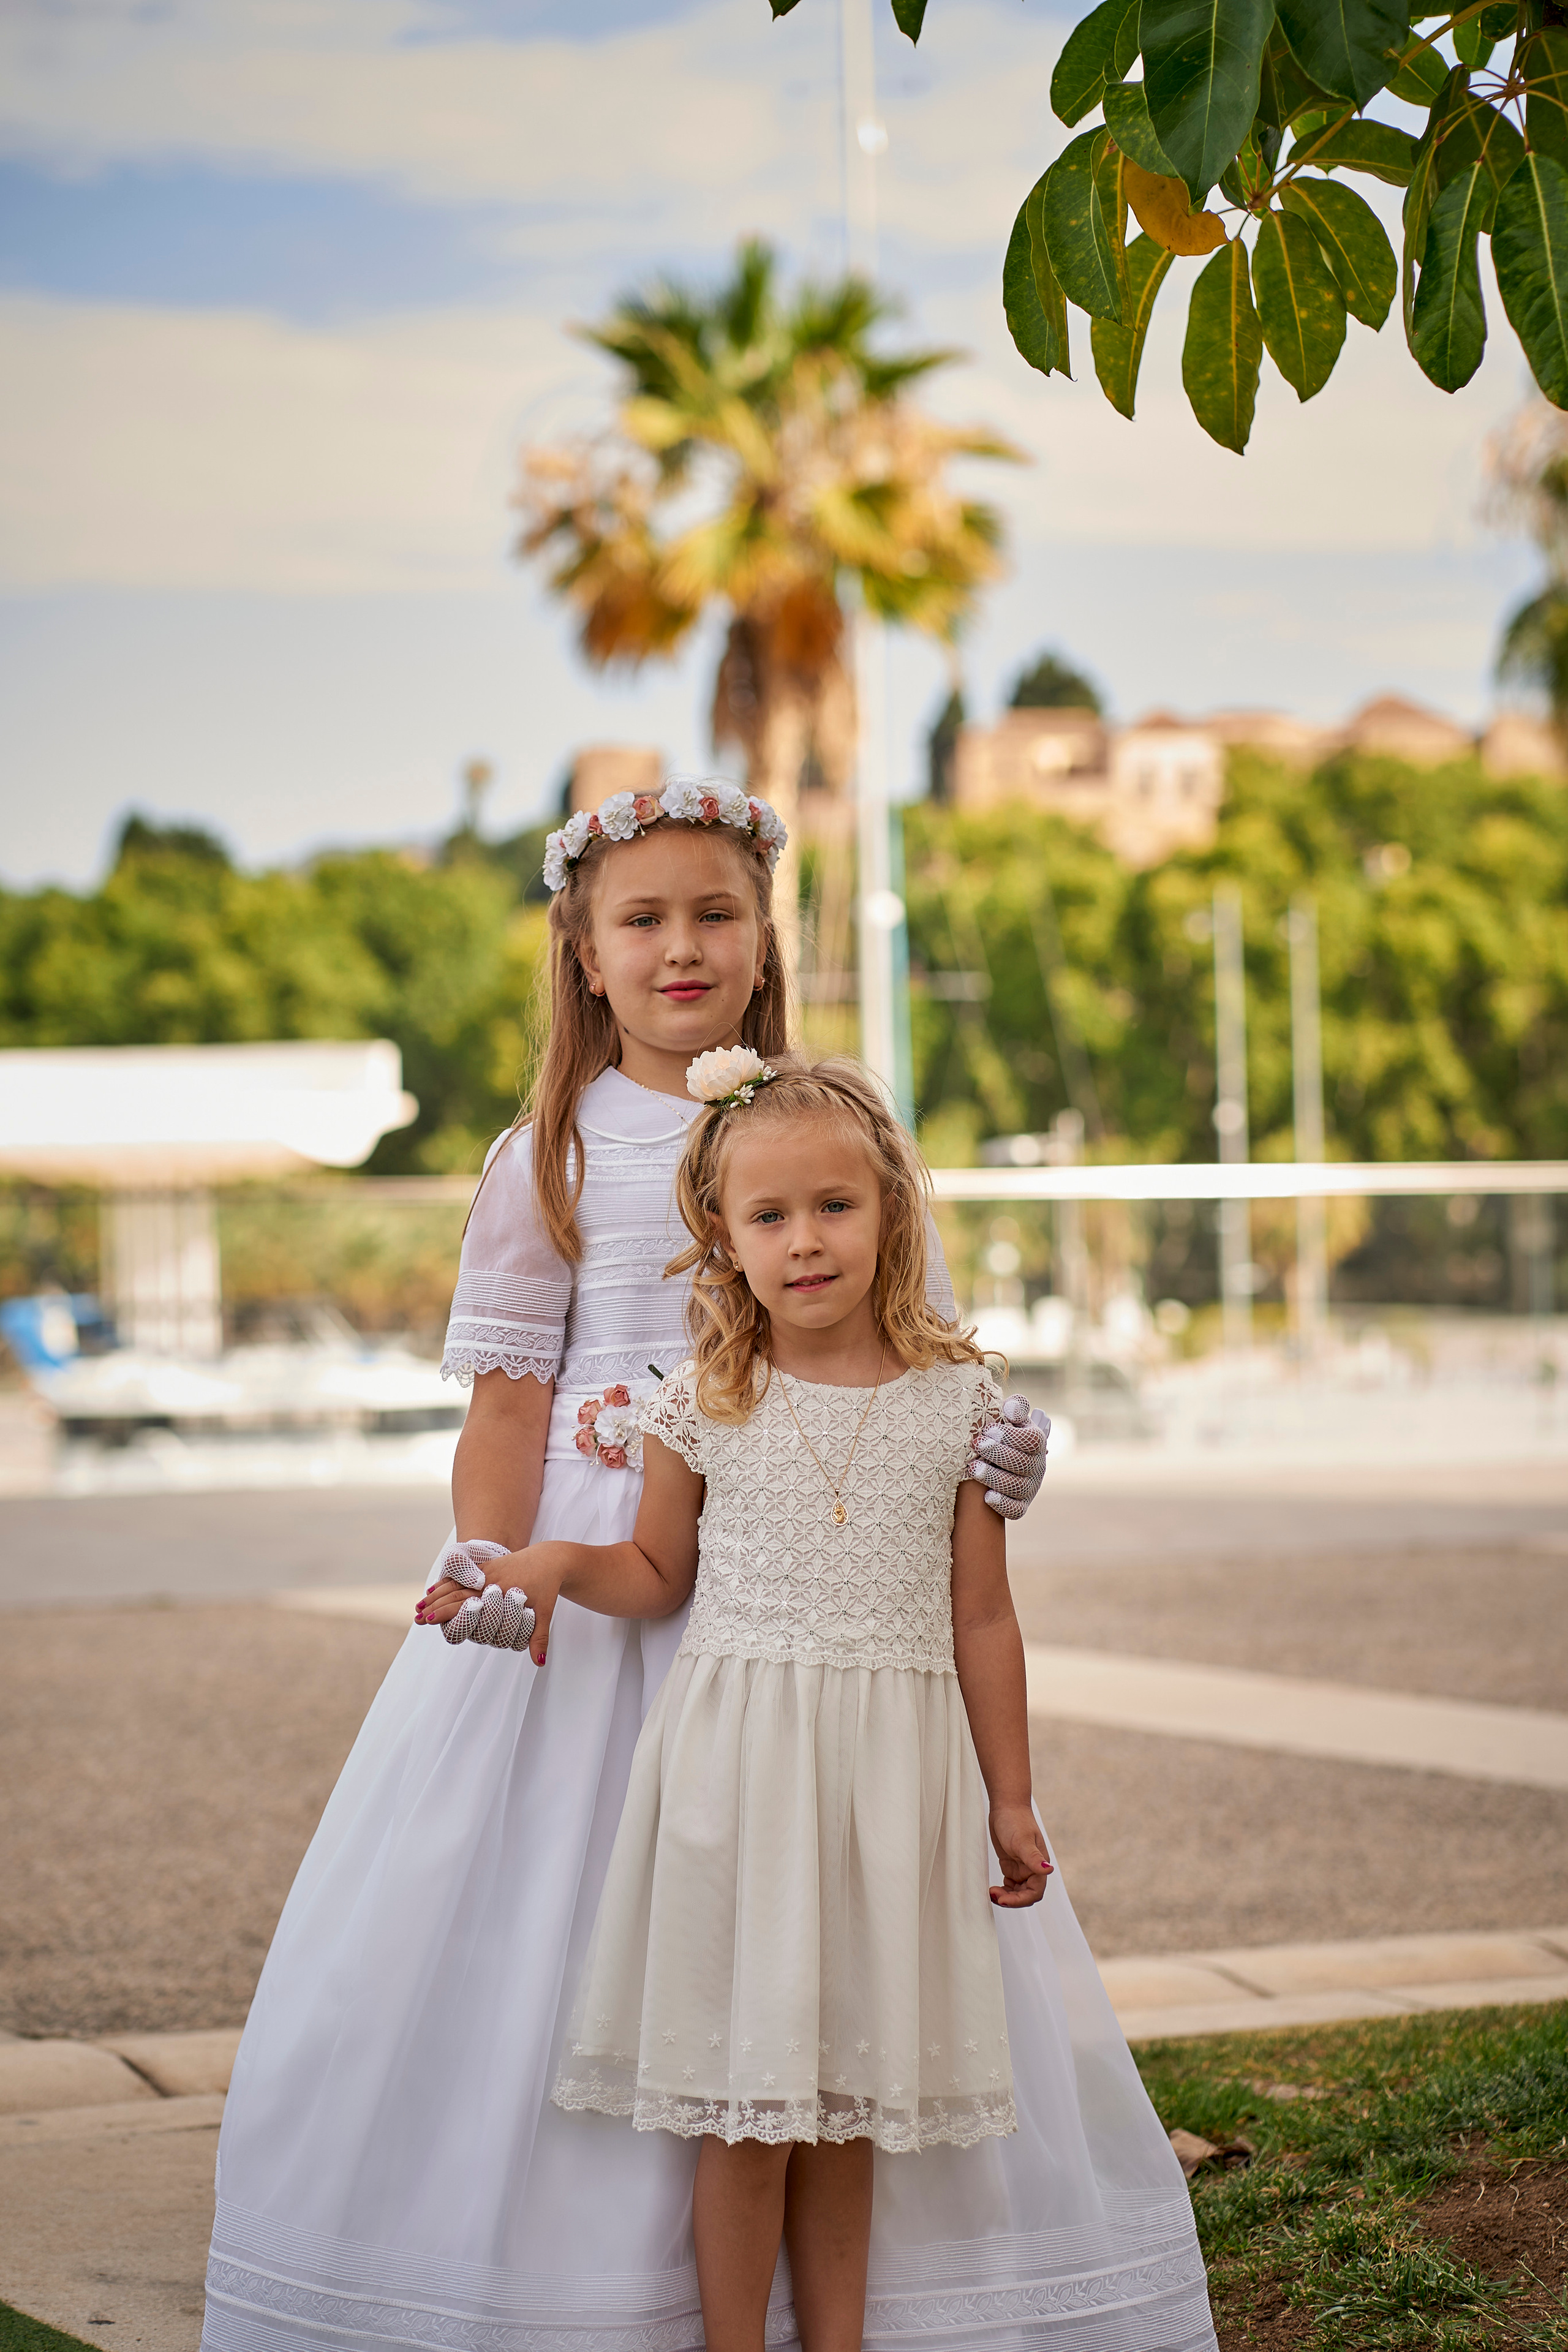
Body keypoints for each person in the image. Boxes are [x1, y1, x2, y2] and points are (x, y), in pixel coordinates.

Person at [201, 780, 1054, 2352]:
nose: (682, 946)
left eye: (714, 912)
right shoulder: (548, 1157)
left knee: (819, 1961)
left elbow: (899, 1342)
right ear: (581, 953)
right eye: (641, 920)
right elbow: (511, 1400)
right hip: (615, 1571)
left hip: (804, 1602)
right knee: (580, 1929)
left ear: (761, 936)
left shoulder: (829, 1126)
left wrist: (1002, 1447)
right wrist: (494, 1559)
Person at [420, 1054, 1216, 2352]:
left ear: (891, 1212)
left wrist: (1010, 1798)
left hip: (892, 1795)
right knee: (748, 2109)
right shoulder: (704, 1402)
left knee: (846, 2101)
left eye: (834, 1207)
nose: (805, 1242)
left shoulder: (959, 1406)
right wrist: (549, 1567)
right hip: (738, 1789)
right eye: (770, 1217)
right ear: (721, 1244)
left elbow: (981, 1619)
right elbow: (651, 1571)